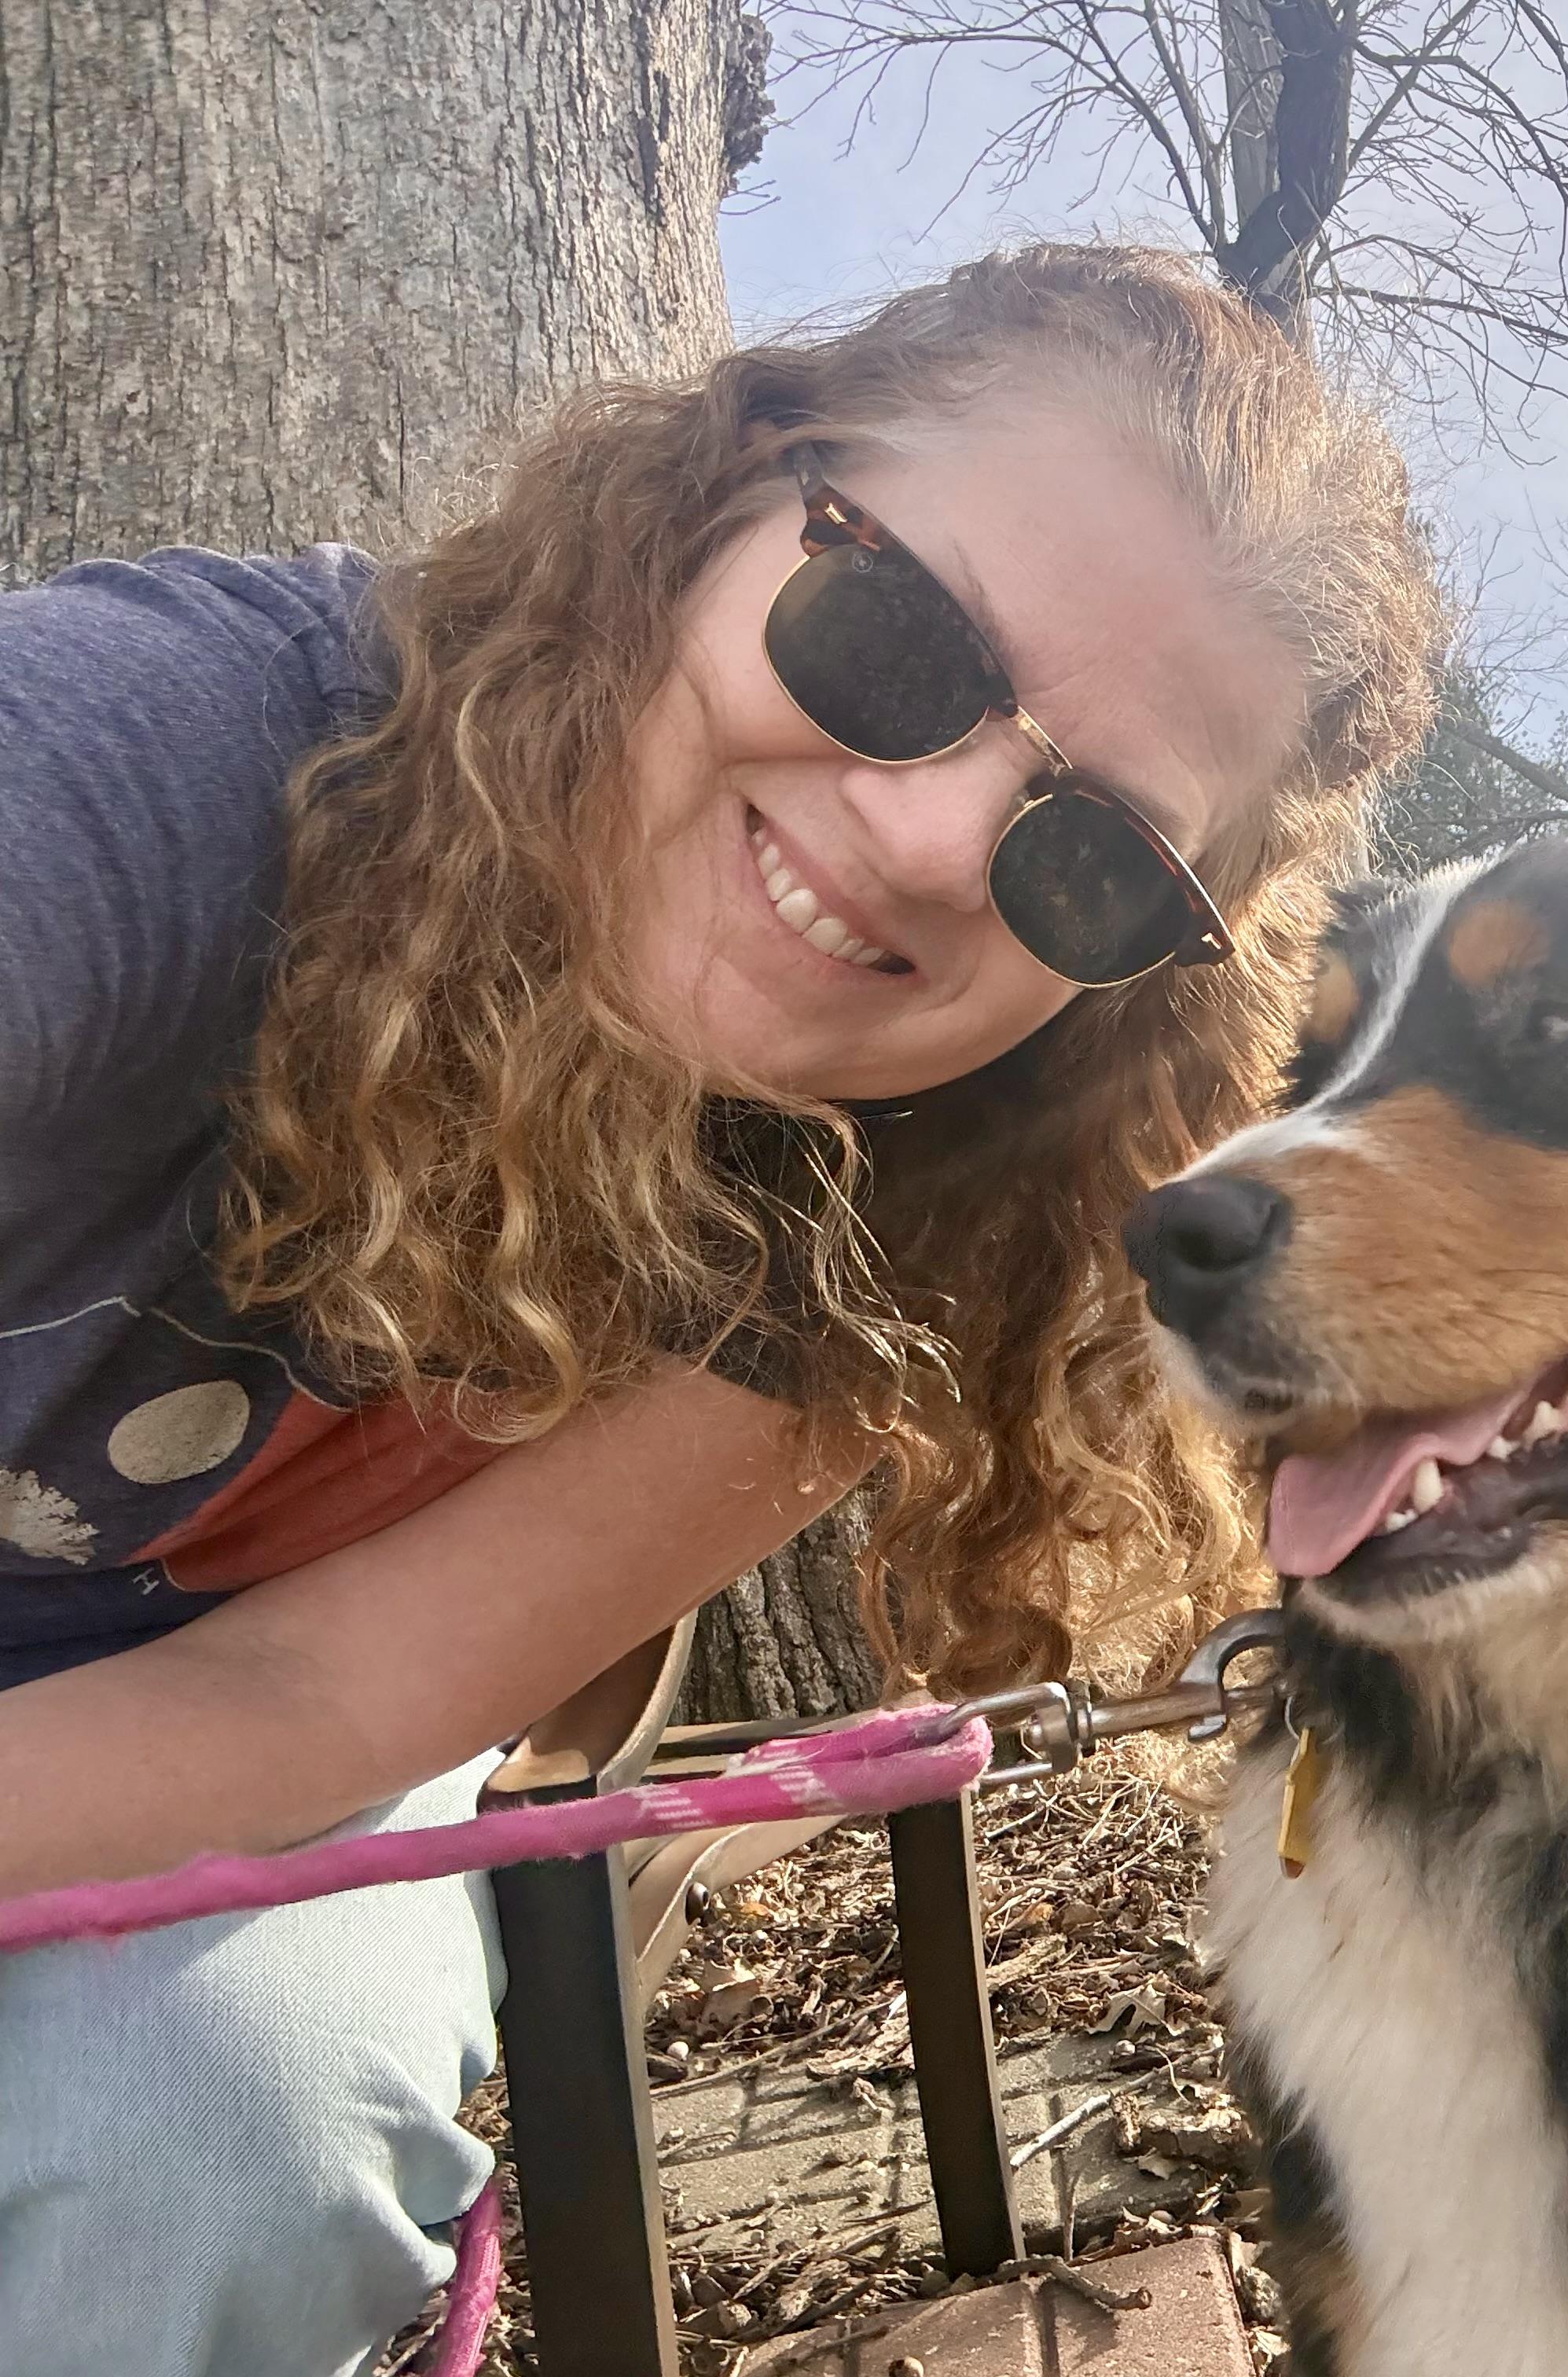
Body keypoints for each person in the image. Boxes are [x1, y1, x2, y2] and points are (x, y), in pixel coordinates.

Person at [0, 243, 1440, 2377]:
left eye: (1093, 857)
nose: (939, 840)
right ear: (728, 491)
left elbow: (314, 1697)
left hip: (186, 1710)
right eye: (897, 635)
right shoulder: (138, 789)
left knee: (221, 2146)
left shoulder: (927, 1201)